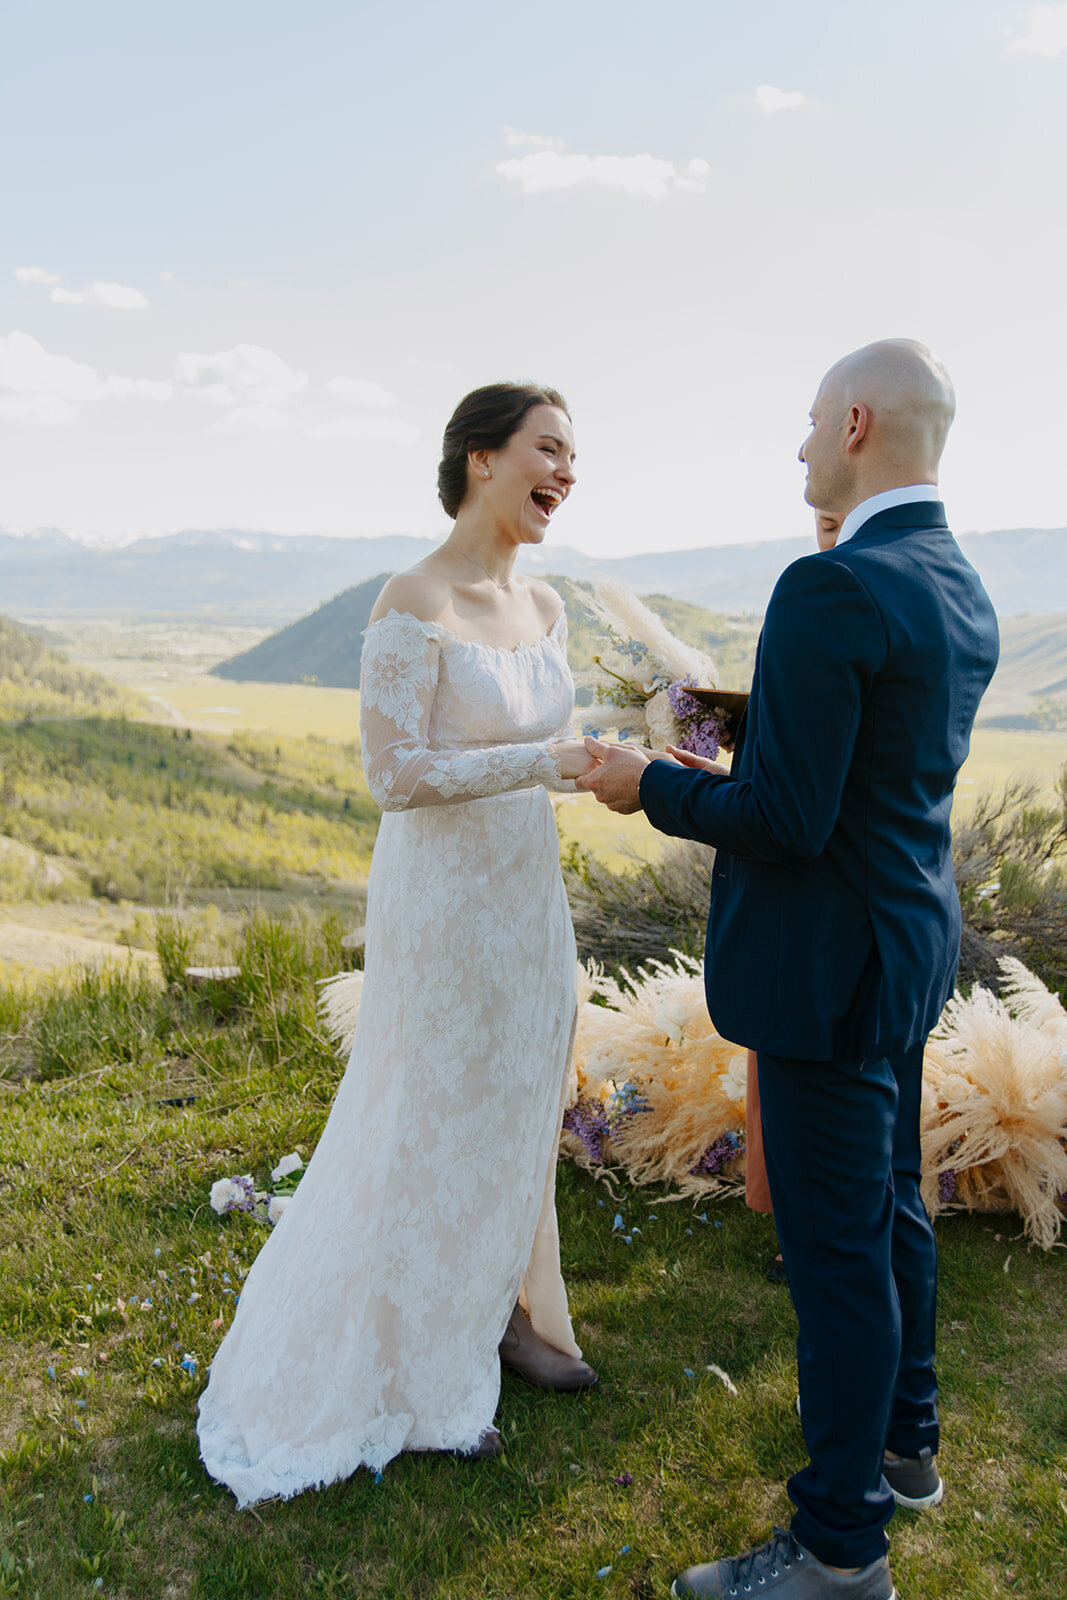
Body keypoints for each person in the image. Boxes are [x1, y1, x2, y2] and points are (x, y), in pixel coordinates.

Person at [577, 340, 999, 1599]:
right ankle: (904, 1446)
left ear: (856, 422)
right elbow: (852, 752)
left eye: (811, 422)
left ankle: (836, 1548)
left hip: (824, 967)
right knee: (891, 1205)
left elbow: (786, 817)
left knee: (835, 1255)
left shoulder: (828, 585)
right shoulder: (955, 578)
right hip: (903, 942)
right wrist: (701, 722)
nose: (800, 444)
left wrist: (639, 782)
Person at [197, 382, 599, 1507]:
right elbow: (393, 775)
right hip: (439, 902)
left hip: (526, 893)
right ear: (481, 458)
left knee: (518, 1095)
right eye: (548, 449)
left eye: (574, 457)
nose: (565, 472)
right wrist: (541, 765)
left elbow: (554, 745)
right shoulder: (410, 596)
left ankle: (512, 1311)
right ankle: (424, 1373)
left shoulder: (548, 604)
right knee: (429, 1106)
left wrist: (618, 764)